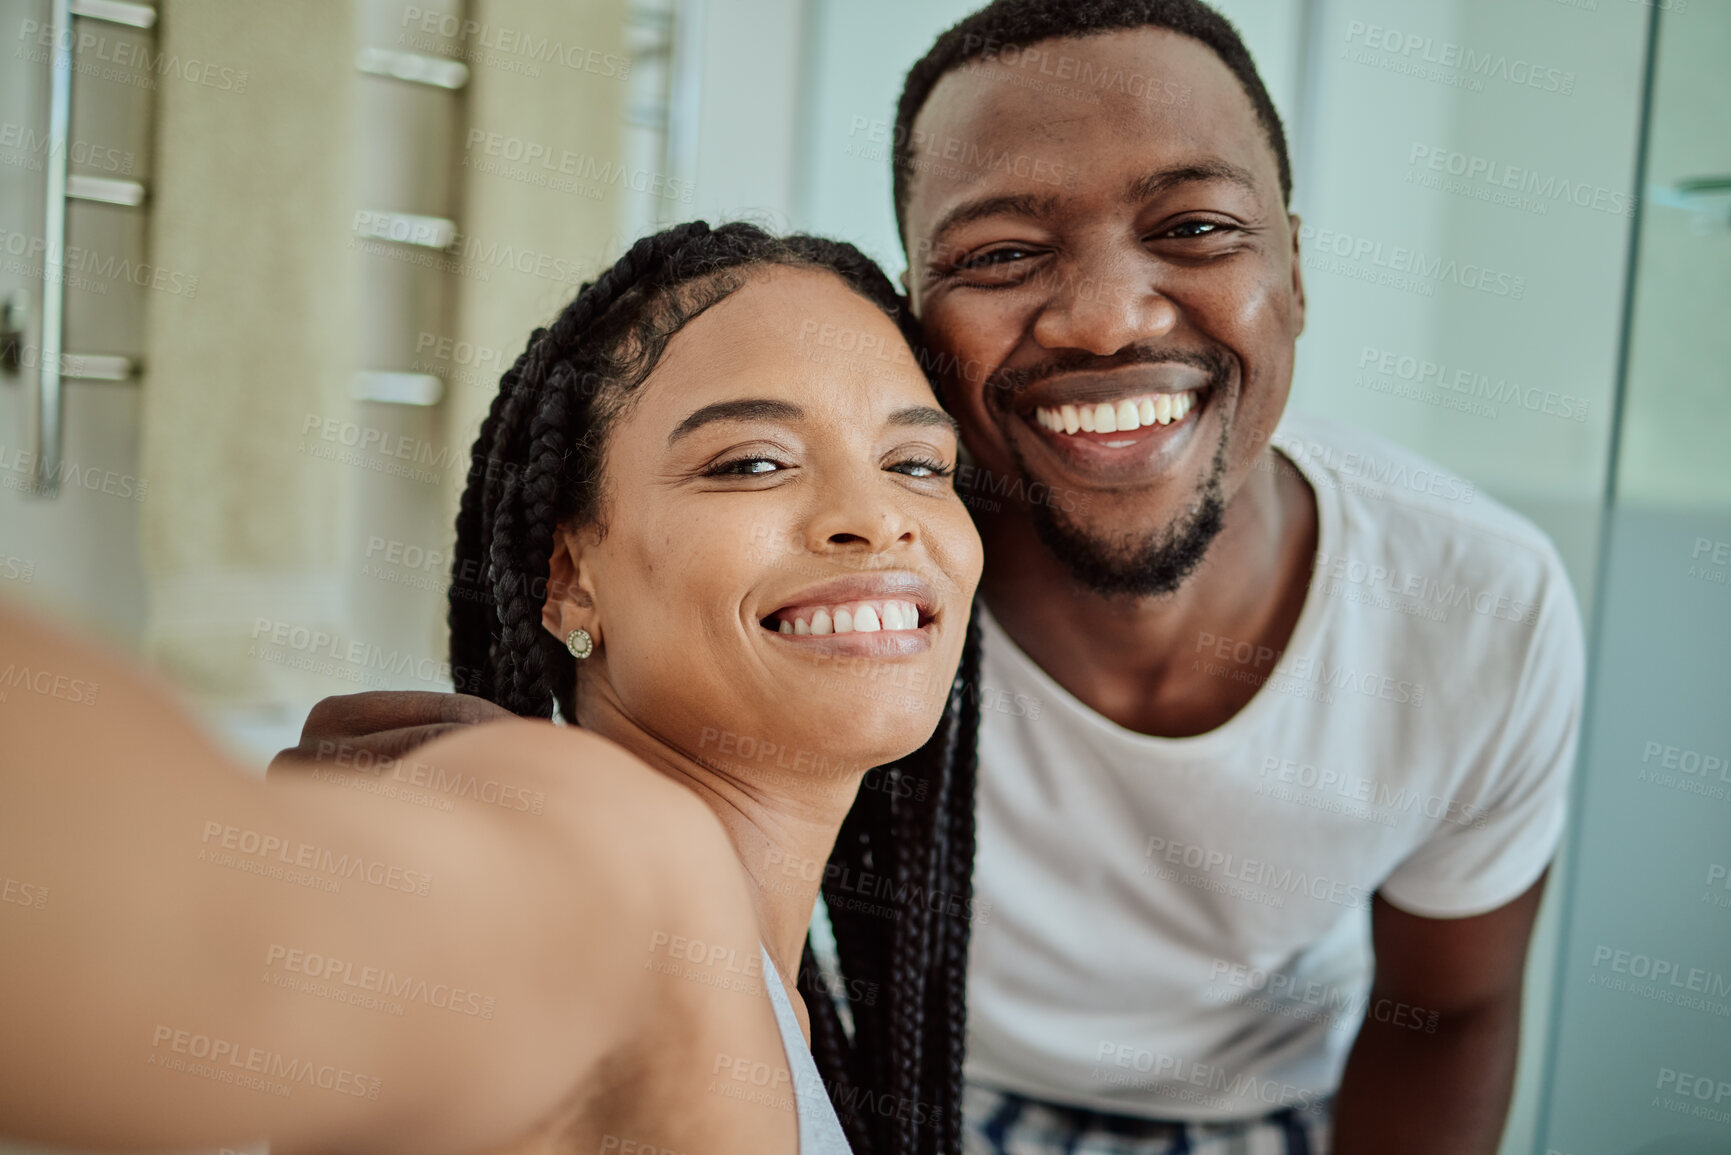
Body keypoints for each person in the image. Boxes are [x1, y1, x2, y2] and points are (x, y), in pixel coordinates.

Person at [277, 2, 1587, 1152]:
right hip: (927, 1086)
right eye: (1002, 253)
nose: (1104, 316)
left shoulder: (1472, 603)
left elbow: (1452, 1005)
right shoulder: (636, 882)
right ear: (925, 316)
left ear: (1291, 265)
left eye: (1191, 224)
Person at [0, 222, 983, 1155]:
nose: (876, 516)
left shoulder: (780, 1000)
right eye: (752, 462)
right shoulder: (620, 860)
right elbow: (214, 953)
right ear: (566, 577)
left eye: (916, 463)